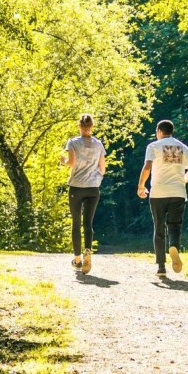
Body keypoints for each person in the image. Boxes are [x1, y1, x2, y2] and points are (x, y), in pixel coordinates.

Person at [137, 119, 188, 277]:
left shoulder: (153, 146)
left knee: (159, 228)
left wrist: (141, 186)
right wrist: (182, 182)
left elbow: (147, 166)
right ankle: (174, 246)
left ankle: (161, 267)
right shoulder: (182, 147)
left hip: (158, 193)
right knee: (175, 225)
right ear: (171, 131)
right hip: (178, 193)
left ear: (159, 131)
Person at [61, 114, 107, 274]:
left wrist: (63, 161)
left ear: (79, 126)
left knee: (76, 223)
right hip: (93, 188)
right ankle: (88, 250)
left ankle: (78, 259)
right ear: (92, 127)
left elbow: (71, 163)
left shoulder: (73, 142)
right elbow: (103, 168)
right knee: (88, 223)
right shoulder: (99, 144)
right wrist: (98, 179)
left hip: (76, 187)